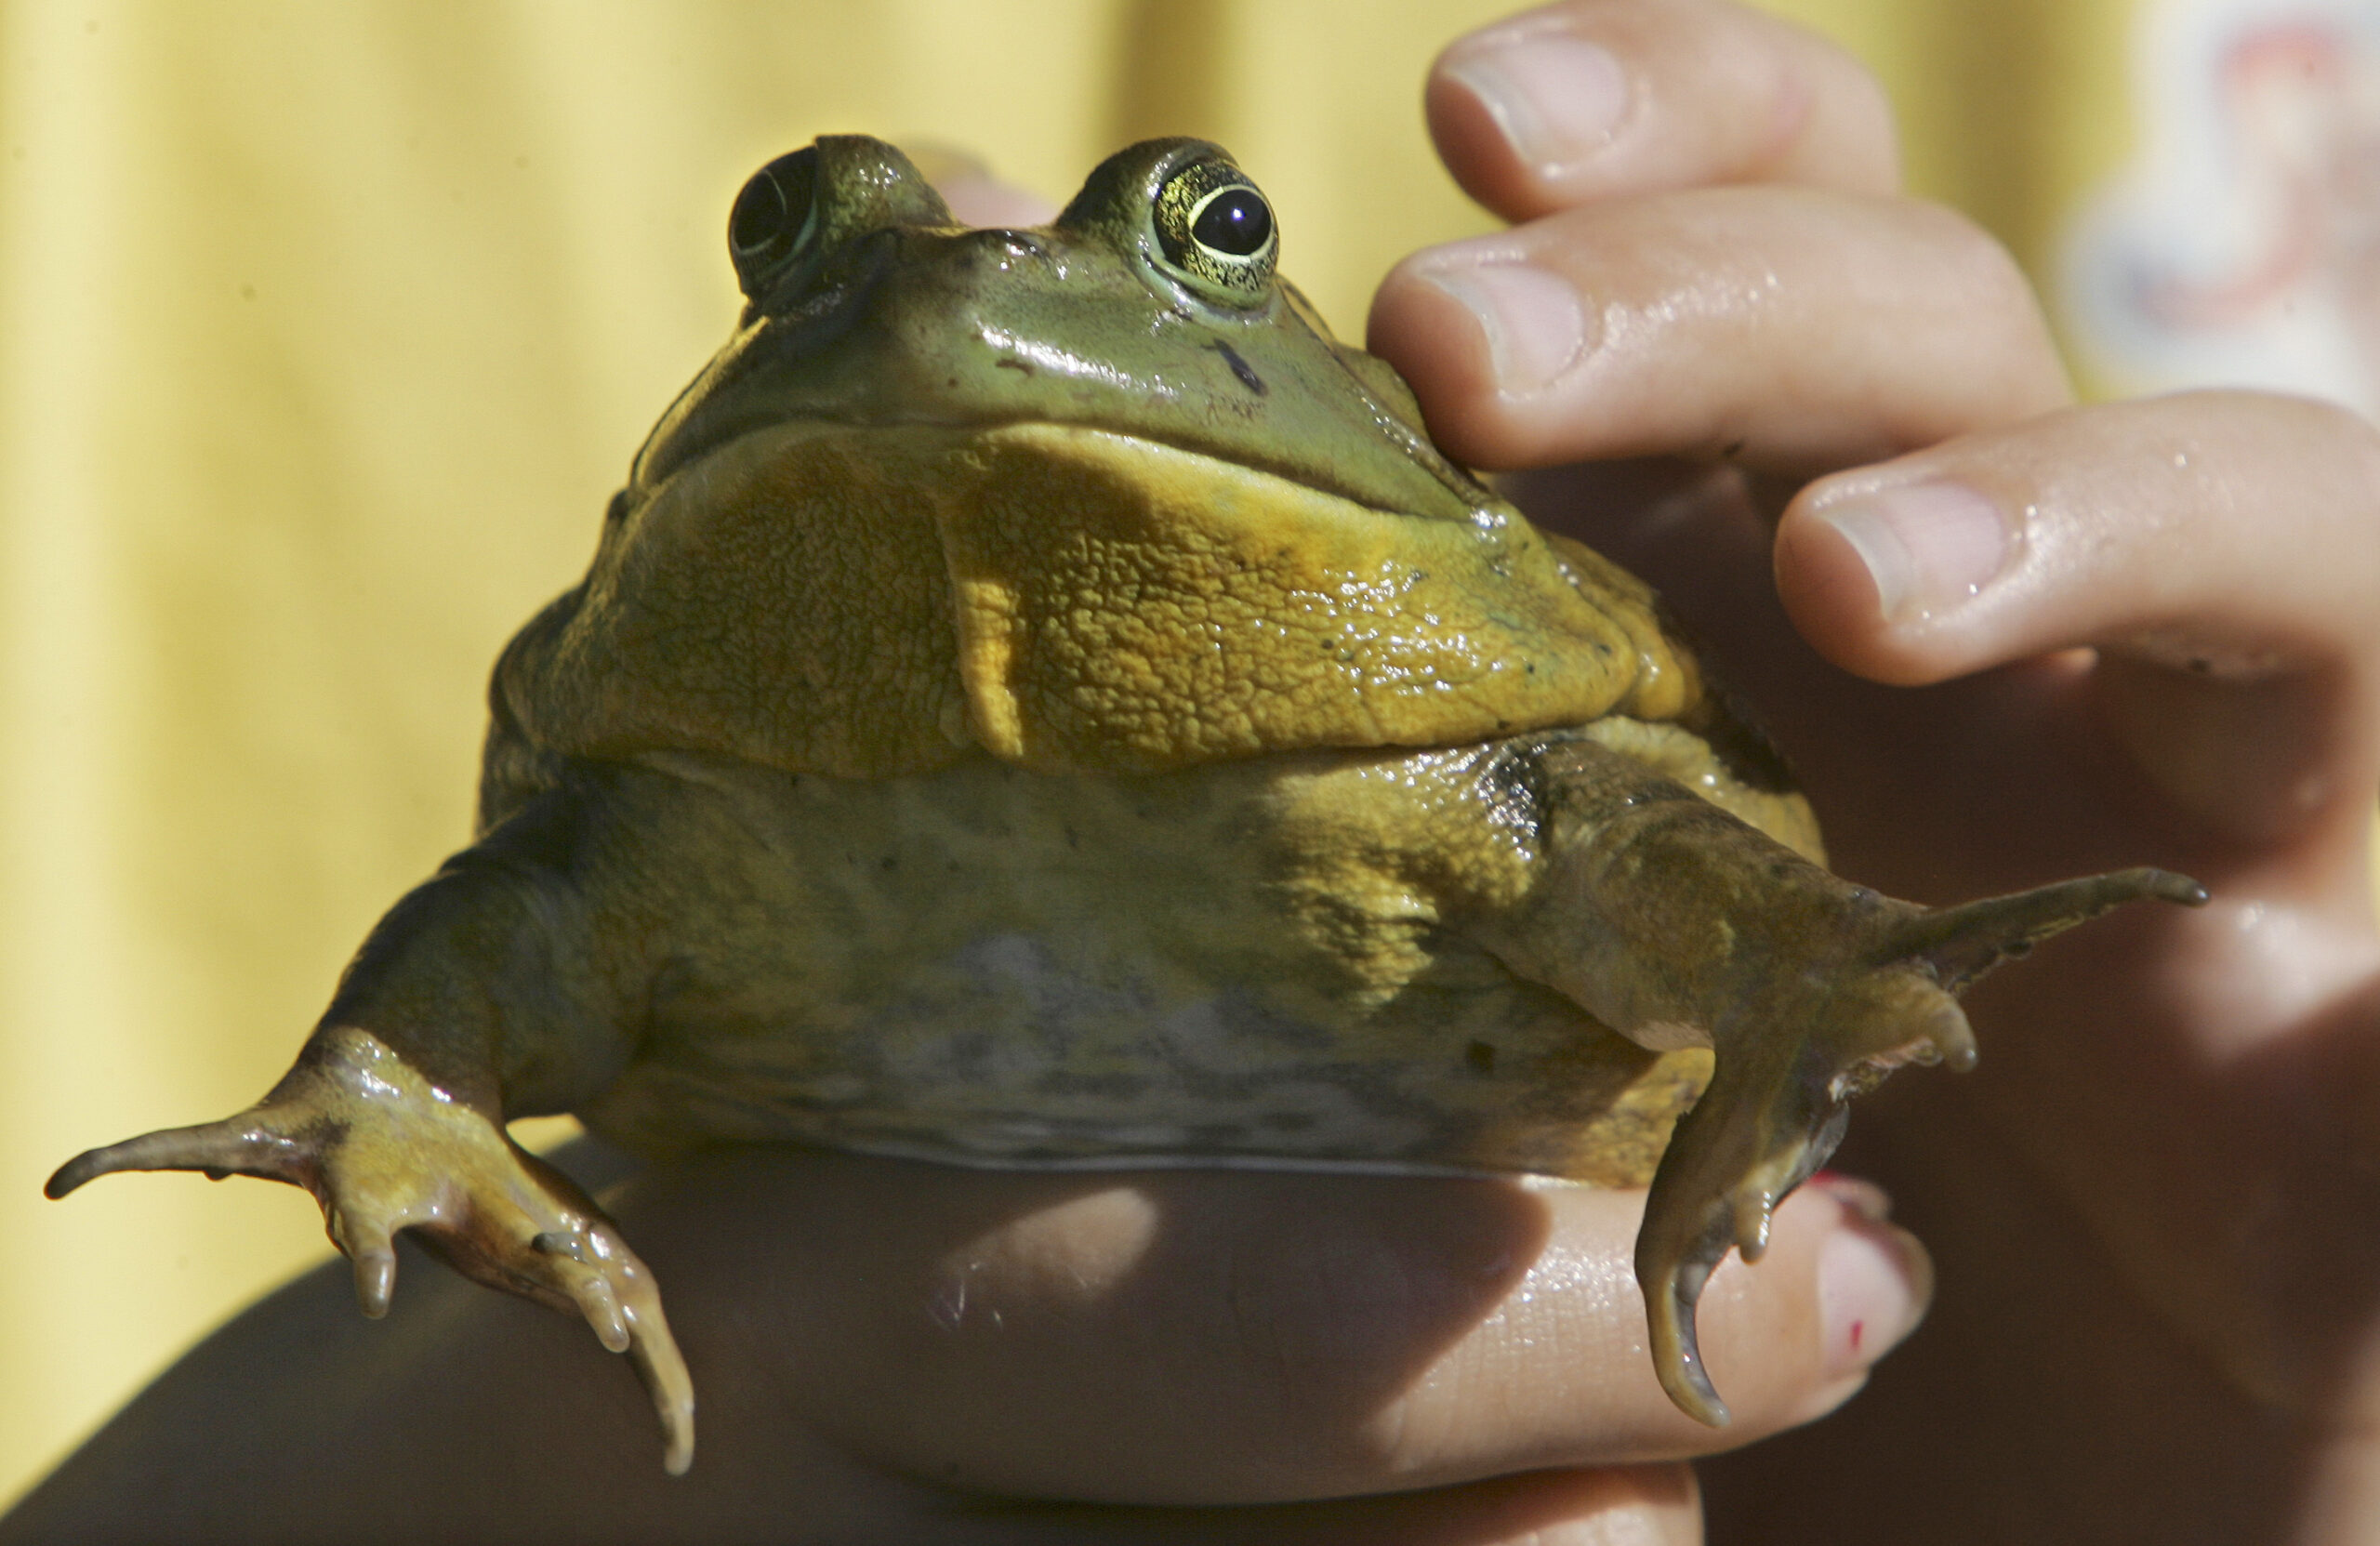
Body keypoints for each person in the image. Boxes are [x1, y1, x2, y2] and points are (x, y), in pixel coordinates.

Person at [7, 2, 2376, 1540]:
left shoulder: (1498, 771)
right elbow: (472, 981)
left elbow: (1677, 869)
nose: (938, 305)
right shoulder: (676, 822)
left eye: (1209, 245)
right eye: (790, 260)